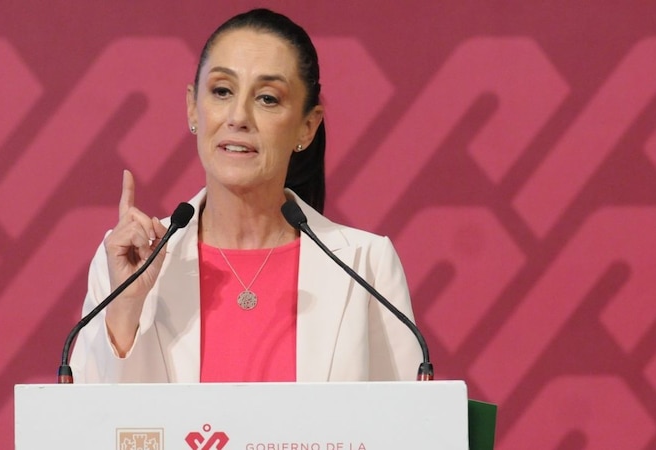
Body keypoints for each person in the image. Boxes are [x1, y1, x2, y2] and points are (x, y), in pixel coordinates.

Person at [70, 8, 422, 383]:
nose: (238, 116)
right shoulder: (129, 261)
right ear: (193, 106)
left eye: (268, 98)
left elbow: (415, 427)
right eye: (222, 91)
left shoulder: (366, 265)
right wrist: (126, 304)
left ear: (307, 126)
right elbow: (82, 427)